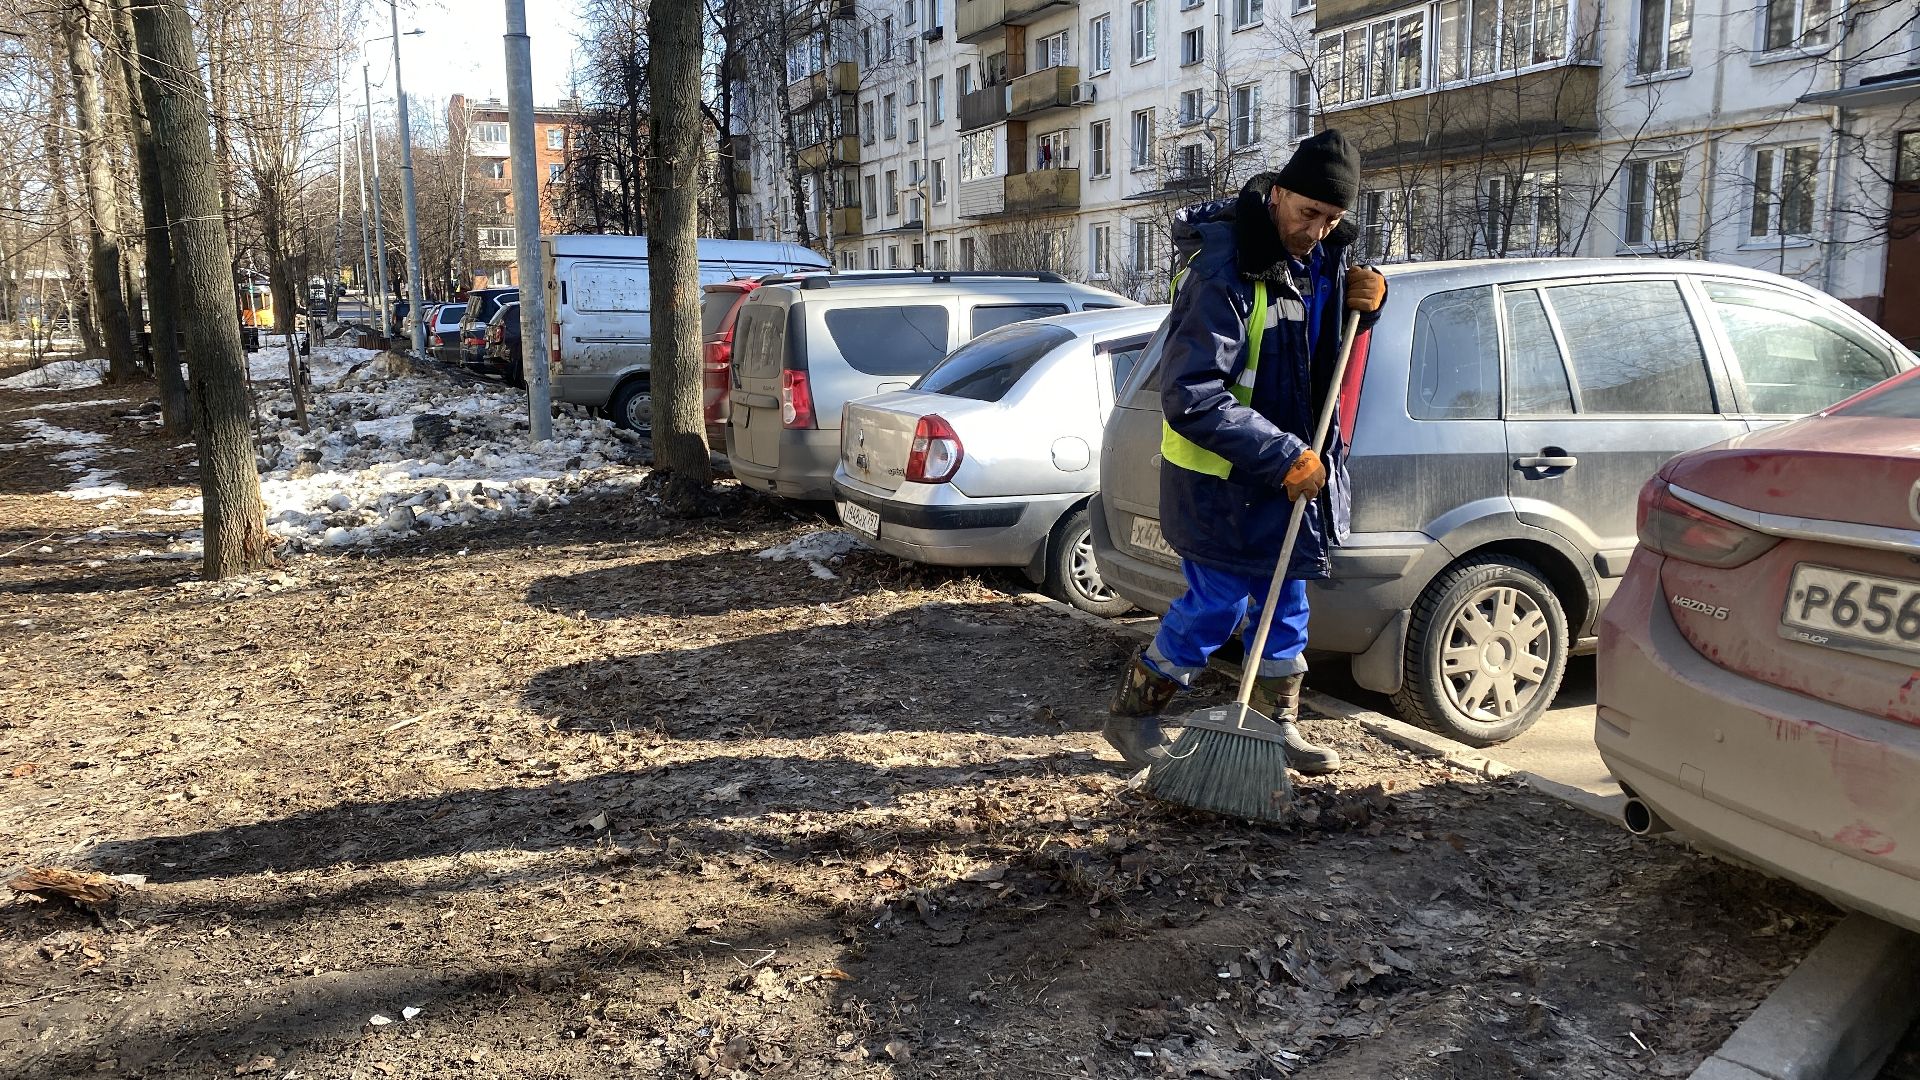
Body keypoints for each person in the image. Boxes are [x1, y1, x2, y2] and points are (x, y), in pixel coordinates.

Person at [1105, 129, 1387, 775]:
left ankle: (1273, 726)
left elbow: (1317, 361)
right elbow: (1193, 395)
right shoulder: (1225, 270)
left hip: (1289, 474)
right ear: (1279, 193)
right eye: (1308, 213)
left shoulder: (1323, 261)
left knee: (1286, 604)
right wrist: (1285, 454)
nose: (1317, 230)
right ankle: (1133, 715)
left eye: (1333, 218)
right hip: (1222, 482)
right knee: (1218, 604)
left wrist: (1365, 310)